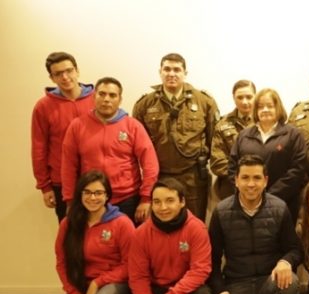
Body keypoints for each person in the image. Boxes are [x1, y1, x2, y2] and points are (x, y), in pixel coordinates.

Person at [208, 155, 303, 294]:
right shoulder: (221, 212)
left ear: (265, 181)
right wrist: (221, 293)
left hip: (269, 281)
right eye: (245, 178)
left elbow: (294, 249)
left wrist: (285, 262)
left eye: (257, 178)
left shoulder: (279, 208)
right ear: (236, 180)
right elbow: (211, 260)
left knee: (290, 281)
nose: (251, 184)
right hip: (236, 284)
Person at [126, 178, 214, 294]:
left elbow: (200, 270)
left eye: (170, 200)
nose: (163, 207)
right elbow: (138, 276)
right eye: (157, 202)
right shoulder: (141, 233)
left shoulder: (196, 228)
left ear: (182, 202)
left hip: (188, 288)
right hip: (159, 286)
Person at [55, 171, 135, 294]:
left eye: (98, 193)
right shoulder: (68, 224)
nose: (93, 198)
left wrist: (98, 282)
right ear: (80, 194)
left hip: (115, 285)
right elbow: (61, 263)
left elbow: (131, 265)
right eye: (87, 192)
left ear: (107, 196)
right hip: (80, 289)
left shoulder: (122, 223)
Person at [132, 53, 219, 220]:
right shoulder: (145, 105)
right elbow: (138, 146)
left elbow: (213, 139)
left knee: (194, 223)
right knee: (163, 224)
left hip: (193, 178)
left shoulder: (204, 102)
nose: (171, 74)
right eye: (167, 69)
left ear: (185, 73)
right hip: (160, 176)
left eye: (177, 70)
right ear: (160, 72)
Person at [61, 77, 159, 223]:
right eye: (102, 94)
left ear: (120, 100)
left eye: (112, 95)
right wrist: (70, 200)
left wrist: (146, 198)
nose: (106, 99)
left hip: (128, 199)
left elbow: (150, 164)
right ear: (94, 97)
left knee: (128, 238)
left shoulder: (133, 126)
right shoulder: (77, 126)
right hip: (91, 199)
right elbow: (68, 165)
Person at [31, 51, 94, 221]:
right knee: (71, 232)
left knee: (102, 232)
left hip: (97, 181)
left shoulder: (98, 99)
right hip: (63, 183)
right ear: (52, 78)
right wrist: (45, 186)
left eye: (69, 71)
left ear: (77, 70)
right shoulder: (43, 107)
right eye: (58, 74)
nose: (65, 77)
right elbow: (39, 147)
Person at [228, 88, 307, 219]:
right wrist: (248, 193)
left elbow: (297, 169)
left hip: (284, 203)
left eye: (270, 106)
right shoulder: (244, 135)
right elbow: (232, 168)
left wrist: (269, 196)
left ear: (278, 108)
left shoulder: (293, 135)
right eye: (260, 106)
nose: (265, 110)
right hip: (248, 203)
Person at [210, 80, 256, 200]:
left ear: (255, 97)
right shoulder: (222, 125)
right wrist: (242, 176)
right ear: (234, 98)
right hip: (231, 186)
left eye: (249, 97)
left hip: (260, 185)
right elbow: (217, 162)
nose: (244, 101)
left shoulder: (264, 122)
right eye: (240, 97)